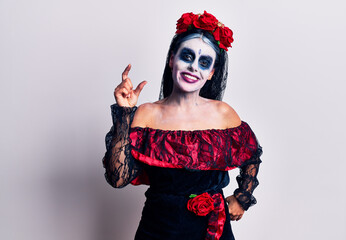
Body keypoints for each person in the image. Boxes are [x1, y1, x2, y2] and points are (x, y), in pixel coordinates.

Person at [102, 11, 262, 240]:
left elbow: (251, 156)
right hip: (158, 229)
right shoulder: (146, 113)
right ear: (171, 59)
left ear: (211, 73)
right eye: (187, 56)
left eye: (204, 62)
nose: (194, 67)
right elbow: (117, 178)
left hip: (212, 229)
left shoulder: (223, 113)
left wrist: (242, 198)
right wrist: (125, 113)